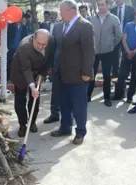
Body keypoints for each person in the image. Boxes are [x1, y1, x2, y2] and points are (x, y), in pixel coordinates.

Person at [50, 0, 94, 145]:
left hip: (79, 74)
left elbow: (88, 52)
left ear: (69, 10)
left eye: (61, 11)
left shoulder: (84, 25)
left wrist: (86, 72)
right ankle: (65, 128)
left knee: (79, 106)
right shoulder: (62, 26)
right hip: (63, 73)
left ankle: (80, 132)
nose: (60, 14)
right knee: (64, 104)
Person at [10, 29, 52, 137]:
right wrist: (32, 86)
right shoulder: (24, 47)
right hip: (20, 72)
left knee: (35, 98)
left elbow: (49, 61)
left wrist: (42, 74)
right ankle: (22, 124)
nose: (41, 47)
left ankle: (32, 122)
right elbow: (26, 69)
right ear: (33, 38)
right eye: (38, 43)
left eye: (44, 44)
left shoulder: (51, 42)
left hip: (37, 72)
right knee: (20, 99)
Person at [88, 0, 122, 107]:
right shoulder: (92, 19)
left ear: (108, 5)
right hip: (94, 52)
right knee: (91, 74)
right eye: (98, 5)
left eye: (102, 4)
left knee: (107, 75)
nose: (100, 7)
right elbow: (89, 34)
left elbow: (118, 35)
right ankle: (88, 95)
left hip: (108, 52)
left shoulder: (114, 19)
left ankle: (107, 97)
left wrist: (111, 46)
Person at [112, 8, 136, 103]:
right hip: (126, 54)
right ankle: (118, 94)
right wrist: (128, 51)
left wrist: (134, 52)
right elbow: (124, 39)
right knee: (122, 75)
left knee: (134, 77)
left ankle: (129, 97)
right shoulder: (128, 25)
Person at [43, 20, 64, 124]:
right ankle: (54, 114)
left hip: (72, 67)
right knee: (56, 92)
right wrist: (49, 65)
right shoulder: (57, 26)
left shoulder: (79, 25)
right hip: (57, 65)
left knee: (70, 93)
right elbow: (51, 47)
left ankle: (68, 117)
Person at [110, 0, 135, 77]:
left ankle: (126, 73)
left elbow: (133, 23)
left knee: (126, 54)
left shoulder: (131, 9)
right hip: (115, 36)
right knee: (114, 55)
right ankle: (115, 73)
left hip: (126, 36)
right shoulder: (112, 10)